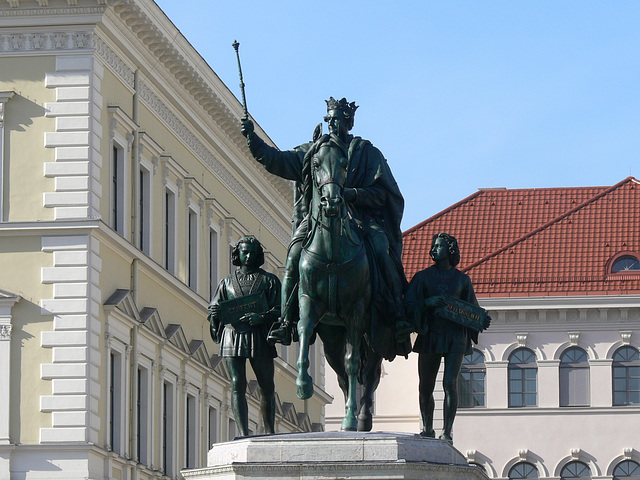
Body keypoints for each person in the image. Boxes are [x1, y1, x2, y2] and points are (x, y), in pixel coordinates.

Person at [240, 97, 411, 359]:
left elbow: (383, 195)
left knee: (380, 247)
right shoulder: (313, 151)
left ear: (349, 122)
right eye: (329, 119)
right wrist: (253, 140)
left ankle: (397, 313)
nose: (333, 124)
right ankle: (286, 320)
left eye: (338, 120)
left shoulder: (367, 153)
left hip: (360, 220)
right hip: (318, 219)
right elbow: (277, 160)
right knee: (294, 256)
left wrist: (352, 194)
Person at [404, 233, 489, 443]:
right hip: (430, 333)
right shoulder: (422, 277)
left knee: (450, 383)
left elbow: (473, 309)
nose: (434, 249)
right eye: (433, 245)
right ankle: (427, 428)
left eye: (439, 246)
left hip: (455, 336)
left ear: (450, 250)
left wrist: (482, 320)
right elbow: (408, 304)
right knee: (425, 385)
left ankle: (447, 431)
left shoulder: (462, 279)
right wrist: (427, 303)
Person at [207, 236, 281, 437]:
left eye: (252, 252)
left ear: (258, 255)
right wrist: (214, 313)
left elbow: (281, 310)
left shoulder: (269, 281)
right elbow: (215, 306)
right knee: (236, 383)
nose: (248, 256)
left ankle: (269, 431)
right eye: (244, 252)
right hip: (233, 335)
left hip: (259, 335)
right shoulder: (227, 282)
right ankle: (243, 432)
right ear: (237, 254)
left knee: (267, 386)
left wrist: (262, 317)